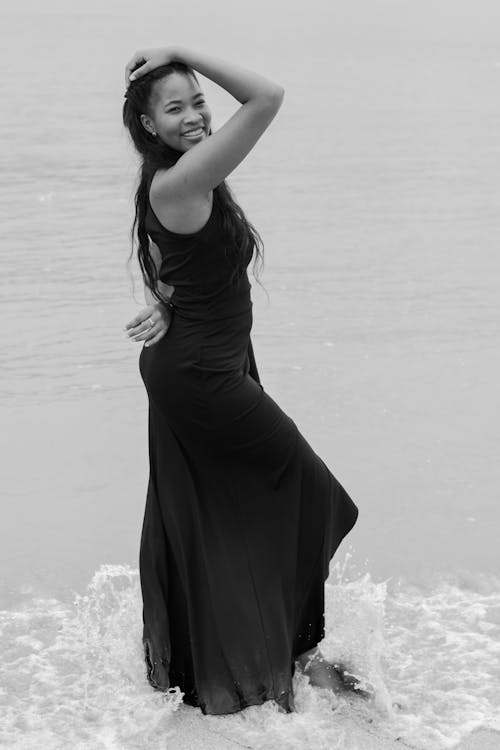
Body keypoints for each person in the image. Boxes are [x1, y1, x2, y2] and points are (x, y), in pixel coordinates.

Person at [122, 46, 360, 716]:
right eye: (176, 106)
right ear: (149, 125)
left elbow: (190, 265)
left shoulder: (176, 178)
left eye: (198, 100)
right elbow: (267, 96)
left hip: (210, 361)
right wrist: (183, 50)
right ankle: (288, 655)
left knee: (236, 510)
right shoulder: (179, 182)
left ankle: (272, 656)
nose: (196, 114)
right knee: (312, 495)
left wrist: (169, 303)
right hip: (200, 376)